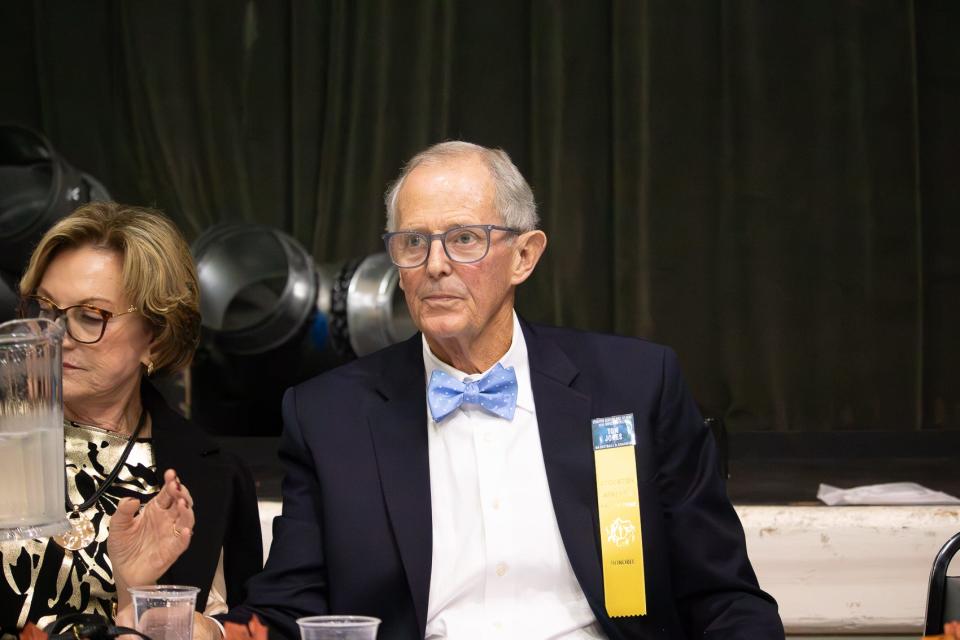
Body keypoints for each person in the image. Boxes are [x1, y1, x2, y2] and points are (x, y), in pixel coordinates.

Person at [221, 141, 784, 639]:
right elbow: (288, 609)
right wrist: (212, 632)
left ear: (524, 256)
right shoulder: (329, 416)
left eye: (464, 239)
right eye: (414, 242)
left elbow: (722, 596)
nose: (435, 265)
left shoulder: (633, 386)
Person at [0, 202, 262, 635]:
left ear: (155, 340)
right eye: (45, 309)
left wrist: (137, 595)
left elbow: (241, 628)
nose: (55, 336)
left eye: (90, 316)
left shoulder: (212, 475)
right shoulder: (12, 441)